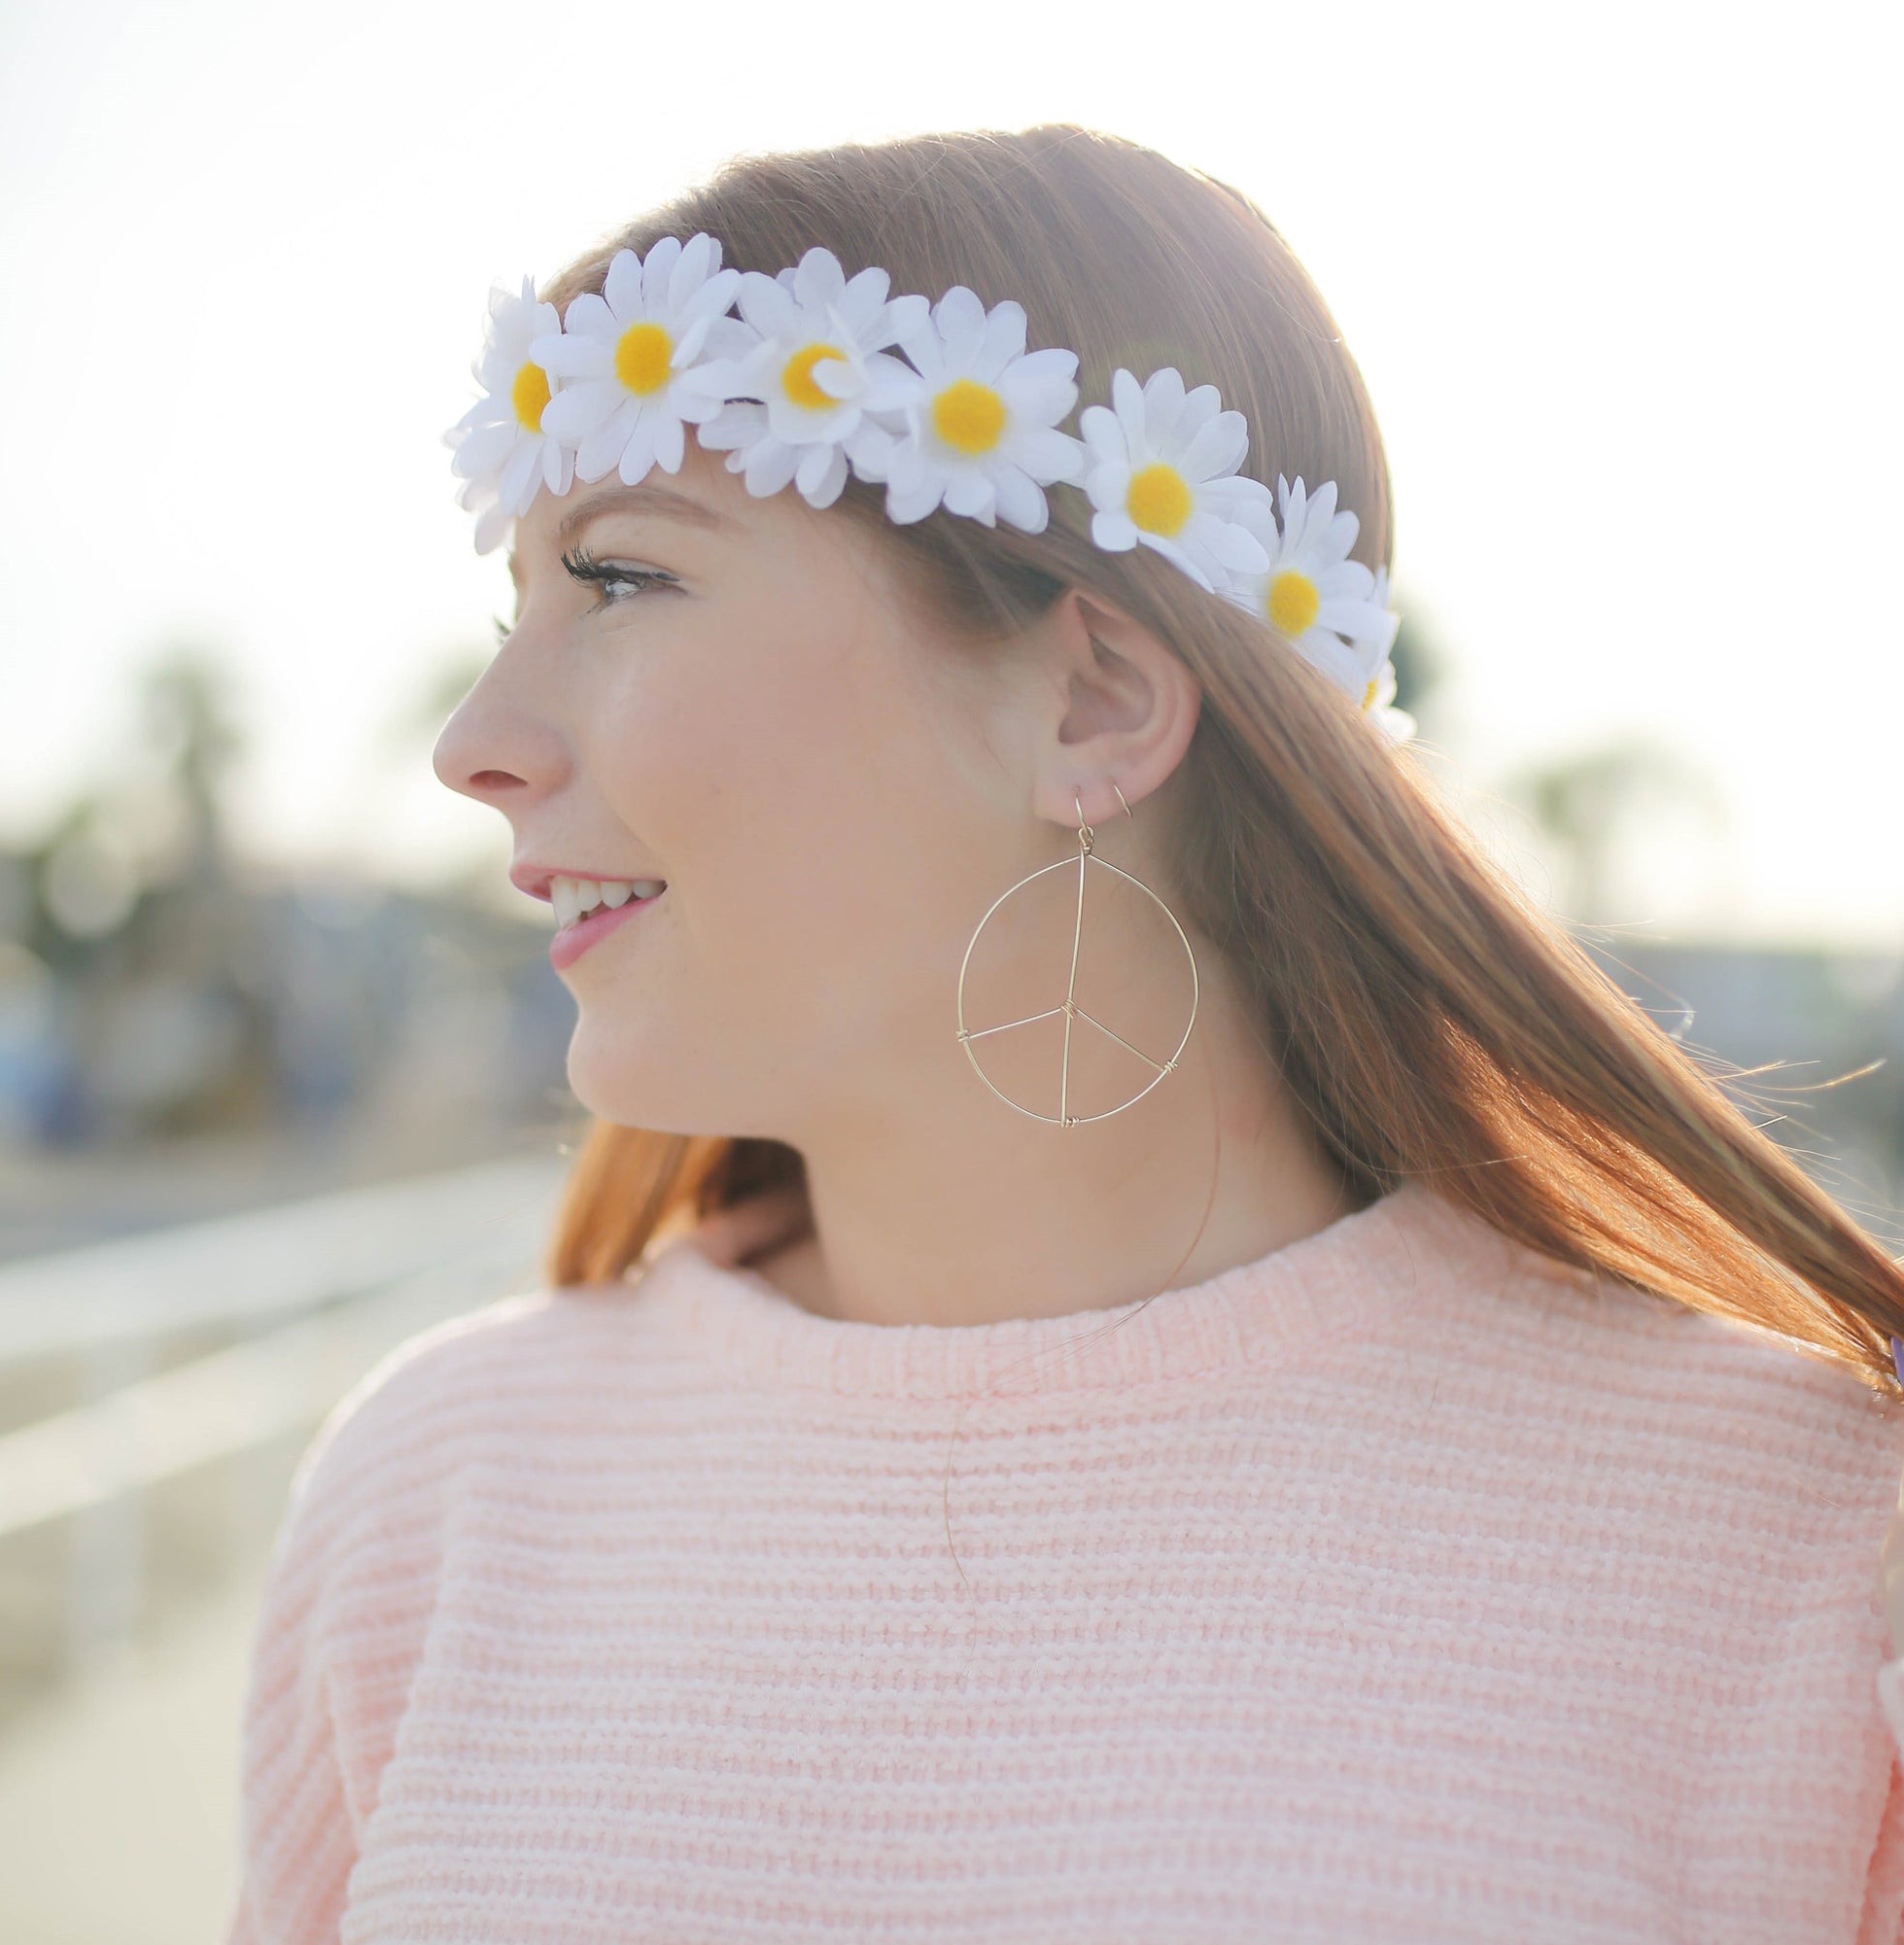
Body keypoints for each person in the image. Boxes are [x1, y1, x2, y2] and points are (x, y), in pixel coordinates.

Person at [225, 125, 1904, 1942]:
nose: (475, 738)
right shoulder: (439, 1501)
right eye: (516, 604)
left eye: (622, 579)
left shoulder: (1814, 1553)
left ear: (1095, 700)